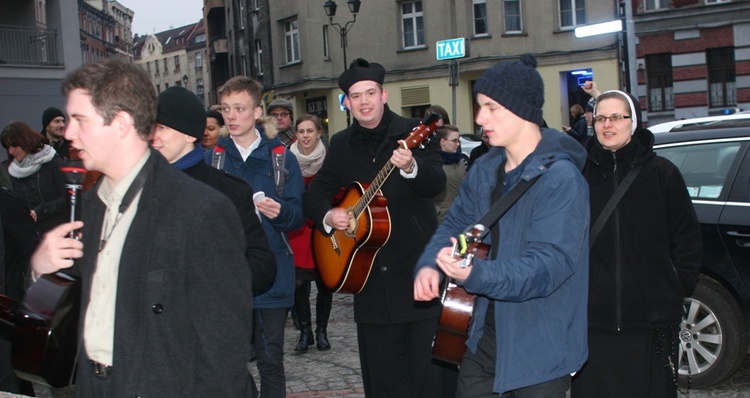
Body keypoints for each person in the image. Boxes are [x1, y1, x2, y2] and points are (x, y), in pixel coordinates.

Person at [29, 58, 255, 397]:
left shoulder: (200, 210)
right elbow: (61, 320)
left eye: (80, 120)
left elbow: (222, 353)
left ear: (120, 123)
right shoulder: (89, 207)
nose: (69, 132)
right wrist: (40, 272)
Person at [414, 54, 589, 397]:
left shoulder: (561, 179)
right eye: (479, 106)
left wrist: (474, 275)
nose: (480, 118)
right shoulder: (485, 169)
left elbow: (548, 266)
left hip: (539, 349)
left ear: (522, 109)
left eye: (491, 107)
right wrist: (429, 264)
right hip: (480, 339)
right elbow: (457, 222)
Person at [303, 58, 455, 397]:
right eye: (355, 96)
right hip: (368, 281)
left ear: (384, 95)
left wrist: (412, 166)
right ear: (347, 102)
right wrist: (330, 217)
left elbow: (436, 184)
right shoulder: (341, 143)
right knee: (382, 383)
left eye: (370, 93)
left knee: (427, 380)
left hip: (418, 276)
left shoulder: (414, 131)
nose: (364, 102)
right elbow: (315, 193)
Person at [571, 89, 702, 397]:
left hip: (650, 322)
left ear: (634, 122)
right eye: (601, 118)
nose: (607, 125)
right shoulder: (577, 173)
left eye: (617, 117)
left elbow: (688, 241)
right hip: (593, 322)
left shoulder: (662, 174)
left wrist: (673, 287)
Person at [205, 75, 305, 398]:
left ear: (257, 112)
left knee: (270, 360)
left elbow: (298, 216)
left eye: (239, 108)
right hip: (224, 277)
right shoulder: (212, 159)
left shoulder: (281, 157)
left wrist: (280, 213)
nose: (231, 116)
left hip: (272, 274)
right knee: (227, 362)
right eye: (226, 109)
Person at [153, 86, 277, 296]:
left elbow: (262, 265)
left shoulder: (228, 191)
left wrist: (211, 277)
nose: (153, 136)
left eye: (162, 128)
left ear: (189, 135)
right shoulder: (138, 186)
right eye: (150, 127)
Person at [288, 114, 333, 352]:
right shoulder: (286, 158)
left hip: (323, 228)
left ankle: (322, 332)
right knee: (298, 284)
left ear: (319, 133)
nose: (305, 136)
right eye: (301, 131)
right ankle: (305, 332)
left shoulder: (330, 160)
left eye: (309, 131)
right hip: (297, 230)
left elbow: (340, 190)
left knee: (325, 282)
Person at [1, 120, 67, 236]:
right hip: (27, 242)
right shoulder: (9, 170)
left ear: (25, 140)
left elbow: (70, 198)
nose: (11, 151)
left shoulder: (52, 162)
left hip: (56, 235)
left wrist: (42, 210)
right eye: (8, 147)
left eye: (14, 145)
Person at [434, 124, 466, 223]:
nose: (458, 144)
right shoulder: (434, 164)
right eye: (454, 141)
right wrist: (441, 214)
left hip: (462, 218)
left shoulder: (461, 163)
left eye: (458, 141)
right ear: (443, 142)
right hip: (442, 221)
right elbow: (427, 197)